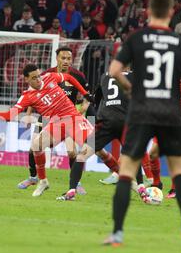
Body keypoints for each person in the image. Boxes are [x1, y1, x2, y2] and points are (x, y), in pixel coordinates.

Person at [105, 0, 181, 249]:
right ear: (171, 12)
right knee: (179, 172)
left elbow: (114, 71)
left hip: (142, 111)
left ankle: (117, 234)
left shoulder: (137, 38)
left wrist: (130, 90)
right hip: (169, 112)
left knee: (126, 173)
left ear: (148, 11)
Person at [0, 64, 93, 198]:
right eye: (34, 78)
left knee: (81, 150)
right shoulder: (27, 96)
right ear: (26, 79)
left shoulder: (50, 77)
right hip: (54, 123)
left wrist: (85, 93)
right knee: (36, 146)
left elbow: (69, 77)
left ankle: (80, 183)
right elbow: (10, 115)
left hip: (72, 117)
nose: (38, 79)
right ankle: (41, 180)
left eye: (38, 75)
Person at [59, 71, 153, 202]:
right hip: (125, 122)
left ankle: (71, 192)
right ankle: (142, 191)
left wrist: (99, 115)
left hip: (106, 122)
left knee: (81, 155)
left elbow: (96, 98)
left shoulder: (105, 76)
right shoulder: (134, 76)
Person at [17, 47, 93, 196]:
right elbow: (33, 93)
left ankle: (76, 183)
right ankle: (33, 178)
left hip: (69, 117)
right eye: (62, 58)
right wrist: (28, 112)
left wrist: (83, 108)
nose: (65, 61)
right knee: (34, 147)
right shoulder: (46, 74)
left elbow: (87, 96)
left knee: (72, 152)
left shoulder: (78, 76)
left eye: (68, 58)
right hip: (47, 117)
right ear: (57, 58)